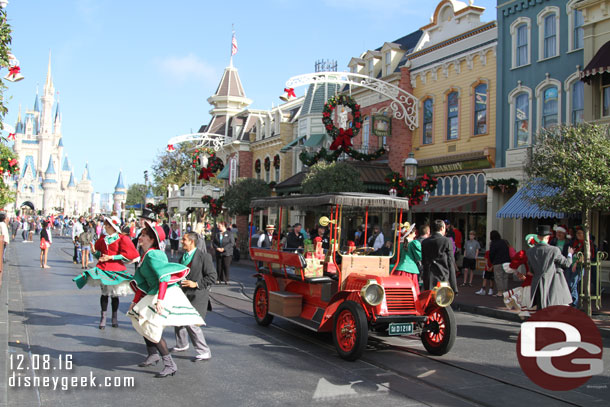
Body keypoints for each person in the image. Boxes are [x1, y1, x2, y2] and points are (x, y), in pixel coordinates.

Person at [127, 222, 204, 377]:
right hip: (153, 292)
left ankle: (169, 364)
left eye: (143, 235)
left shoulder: (154, 254)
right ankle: (152, 354)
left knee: (152, 326)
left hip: (165, 292)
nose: (140, 237)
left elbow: (164, 277)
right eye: (140, 234)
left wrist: (160, 300)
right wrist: (135, 302)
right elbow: (142, 283)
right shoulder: (146, 255)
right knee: (140, 319)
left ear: (152, 239)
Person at [73, 216, 140, 329]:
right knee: (104, 293)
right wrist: (94, 252)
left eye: (107, 224)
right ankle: (103, 317)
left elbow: (128, 254)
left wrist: (111, 257)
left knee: (114, 294)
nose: (105, 226)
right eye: (105, 224)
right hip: (104, 268)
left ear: (113, 226)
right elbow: (100, 254)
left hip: (116, 268)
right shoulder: (103, 238)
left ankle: (114, 317)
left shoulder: (121, 238)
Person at [172, 232, 216, 361]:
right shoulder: (183, 257)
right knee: (178, 318)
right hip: (183, 293)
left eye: (184, 239)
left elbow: (212, 276)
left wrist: (195, 284)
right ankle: (181, 344)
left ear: (191, 241)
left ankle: (204, 351)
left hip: (197, 295)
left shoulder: (204, 257)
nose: (181, 241)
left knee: (191, 323)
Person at [527, 224, 574, 309]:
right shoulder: (554, 250)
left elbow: (531, 269)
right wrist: (570, 254)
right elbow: (567, 263)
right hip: (553, 283)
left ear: (538, 236)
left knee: (541, 309)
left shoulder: (530, 251)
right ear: (548, 237)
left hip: (537, 283)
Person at [421, 219, 458, 293]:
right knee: (443, 302)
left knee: (430, 301)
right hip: (442, 276)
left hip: (428, 277)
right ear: (442, 228)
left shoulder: (425, 242)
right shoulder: (447, 241)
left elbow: (424, 261)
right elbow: (451, 262)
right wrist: (454, 286)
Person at [391, 222, 421, 295]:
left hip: (398, 270)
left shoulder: (398, 244)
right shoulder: (414, 243)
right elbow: (419, 256)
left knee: (398, 293)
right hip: (411, 271)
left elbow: (394, 257)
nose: (415, 234)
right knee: (411, 293)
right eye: (414, 233)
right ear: (410, 233)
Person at [488, 230, 511, 297]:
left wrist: (492, 262)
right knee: (505, 277)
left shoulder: (493, 243)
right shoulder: (503, 242)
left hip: (497, 262)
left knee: (498, 277)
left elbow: (491, 254)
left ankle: (500, 292)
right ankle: (505, 291)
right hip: (506, 261)